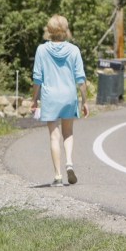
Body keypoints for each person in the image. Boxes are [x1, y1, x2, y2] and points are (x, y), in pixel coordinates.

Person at [30, 15, 89, 187]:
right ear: (65, 30)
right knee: (68, 133)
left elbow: (37, 78)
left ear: (48, 30)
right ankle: (69, 162)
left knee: (54, 137)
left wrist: (34, 100)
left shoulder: (42, 50)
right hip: (69, 95)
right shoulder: (74, 50)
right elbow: (80, 78)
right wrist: (84, 101)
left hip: (50, 97)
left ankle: (57, 176)